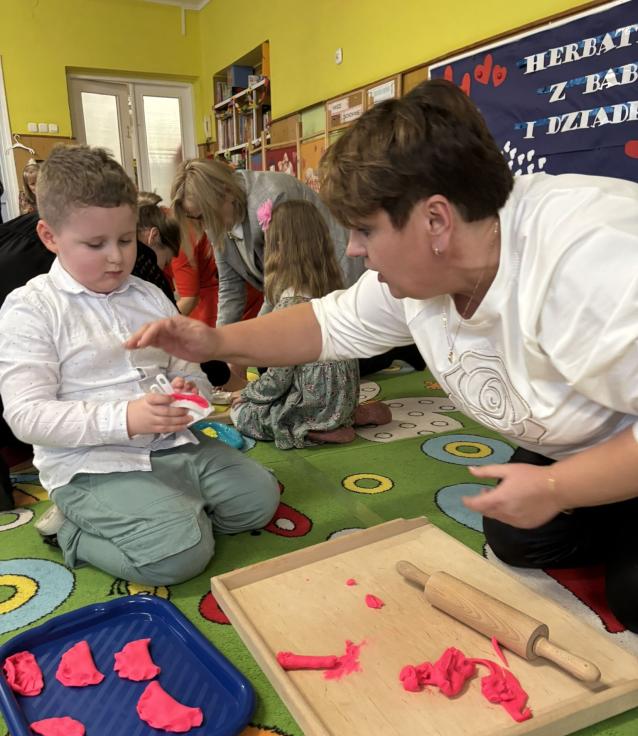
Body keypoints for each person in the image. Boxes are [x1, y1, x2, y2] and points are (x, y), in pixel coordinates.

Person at [125, 79, 638, 630]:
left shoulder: (595, 262)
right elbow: (323, 324)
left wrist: (560, 487)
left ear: (436, 221)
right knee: (517, 534)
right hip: (591, 438)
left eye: (365, 230)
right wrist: (218, 342)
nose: (352, 249)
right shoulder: (430, 265)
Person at [0, 145, 279, 586]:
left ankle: (168, 512)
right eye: (95, 244)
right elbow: (26, 415)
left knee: (258, 500)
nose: (116, 257)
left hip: (172, 447)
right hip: (91, 465)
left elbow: (189, 372)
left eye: (126, 240)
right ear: (50, 237)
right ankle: (72, 530)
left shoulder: (148, 295)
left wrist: (188, 397)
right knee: (179, 557)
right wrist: (126, 418)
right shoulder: (31, 308)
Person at [170, 158, 365, 327]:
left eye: (204, 216)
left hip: (338, 280)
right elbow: (230, 287)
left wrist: (255, 336)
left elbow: (281, 284)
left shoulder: (273, 197)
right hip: (299, 295)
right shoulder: (217, 216)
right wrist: (220, 342)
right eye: (196, 218)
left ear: (225, 192)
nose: (205, 226)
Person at [230, 199, 361, 448]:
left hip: (315, 407)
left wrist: (247, 393)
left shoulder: (290, 307)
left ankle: (313, 429)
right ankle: (347, 418)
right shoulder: (334, 296)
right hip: (344, 401)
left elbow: (278, 380)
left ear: (278, 249)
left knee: (242, 414)